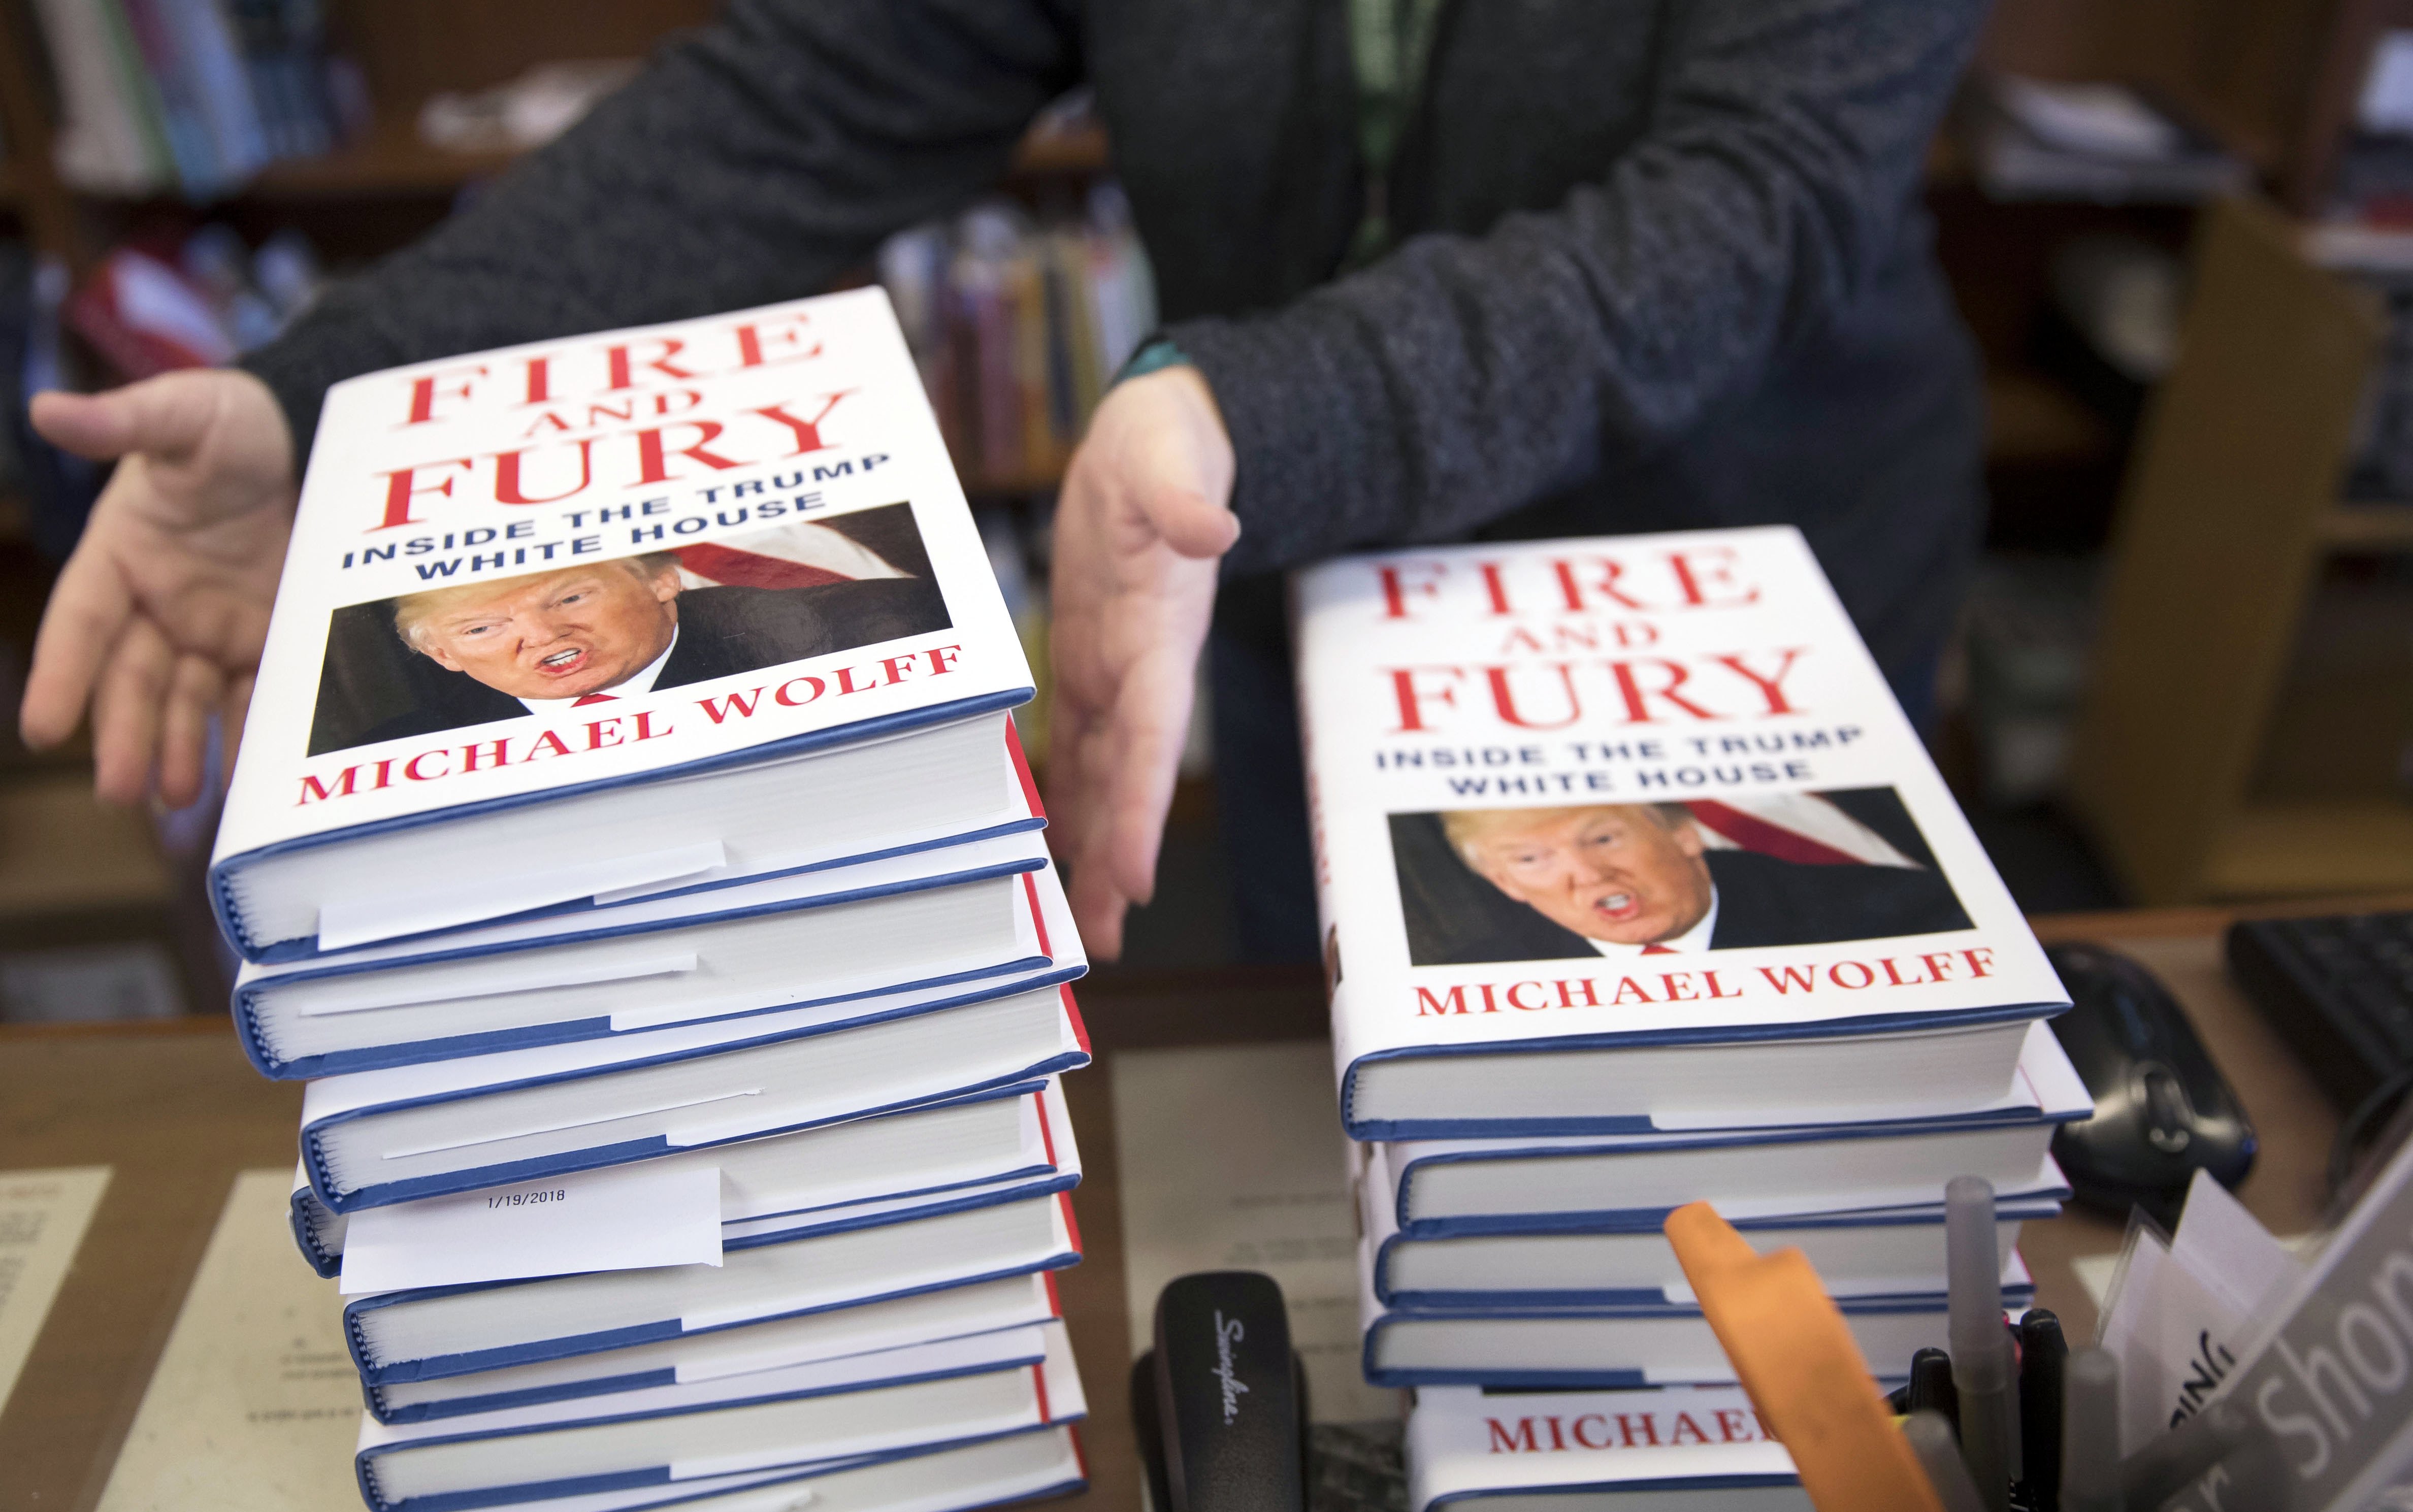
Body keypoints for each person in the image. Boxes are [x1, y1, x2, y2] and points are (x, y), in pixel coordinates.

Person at [14, 0, 1993, 964]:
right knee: (1329, 1069)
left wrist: (1255, 405)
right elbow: (795, 108)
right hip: (1269, 547)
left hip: (1723, 558)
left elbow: (1755, 204)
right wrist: (333, 390)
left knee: (1716, 1133)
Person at [321, 553, 950, 751]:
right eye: (482, 630)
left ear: (661, 579)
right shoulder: (395, 750)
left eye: (569, 598)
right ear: (442, 655)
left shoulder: (865, 635)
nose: (541, 637)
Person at [1416, 803, 1970, 964]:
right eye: (1532, 858)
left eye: (1604, 839)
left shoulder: (1898, 915)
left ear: (1683, 835)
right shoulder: (1472, 977)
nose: (1588, 875)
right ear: (1505, 882)